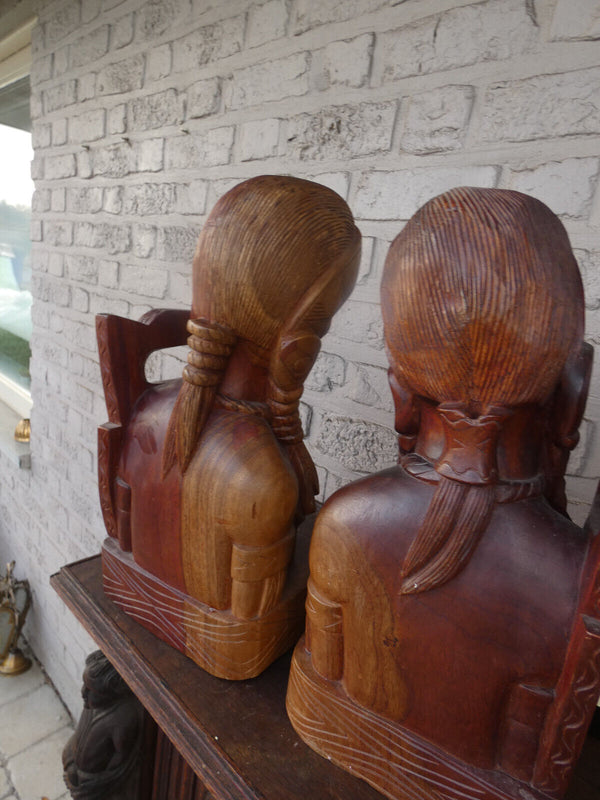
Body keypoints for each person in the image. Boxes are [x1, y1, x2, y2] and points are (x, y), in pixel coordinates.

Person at [287, 187, 598, 800]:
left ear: (399, 392)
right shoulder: (574, 585)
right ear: (575, 394)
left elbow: (321, 690)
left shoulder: (343, 524)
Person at [99, 175, 360, 678]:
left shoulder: (144, 414)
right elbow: (248, 624)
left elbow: (123, 536)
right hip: (220, 652)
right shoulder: (261, 479)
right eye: (321, 328)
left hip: (129, 595)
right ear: (298, 344)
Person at [63, 651, 143, 800]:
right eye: (84, 685)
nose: (83, 692)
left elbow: (121, 763)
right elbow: (79, 734)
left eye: (91, 690)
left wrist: (92, 785)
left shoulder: (121, 719)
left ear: (109, 694)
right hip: (79, 775)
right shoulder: (93, 707)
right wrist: (69, 762)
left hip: (96, 786)